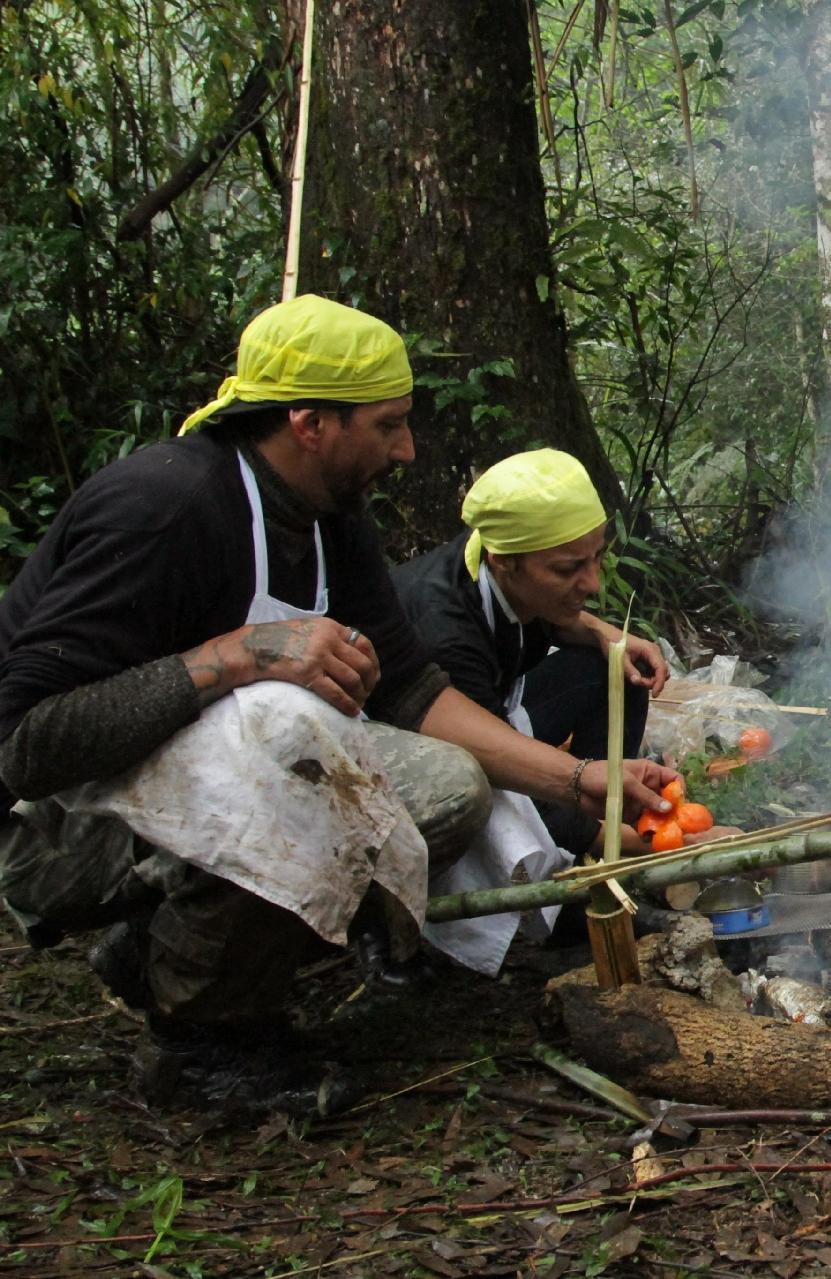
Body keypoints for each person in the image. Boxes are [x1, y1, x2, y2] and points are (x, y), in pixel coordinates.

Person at [0, 296, 677, 1113]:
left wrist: (577, 778)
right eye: (388, 424)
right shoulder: (164, 508)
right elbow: (28, 745)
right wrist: (238, 655)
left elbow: (412, 692)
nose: (407, 448)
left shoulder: (331, 520)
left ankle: (163, 947)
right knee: (288, 730)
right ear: (310, 422)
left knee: (448, 788)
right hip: (55, 830)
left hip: (186, 794)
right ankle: (201, 1046)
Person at [394, 448, 690, 974]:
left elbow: (547, 615)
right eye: (569, 568)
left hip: (502, 712)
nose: (594, 584)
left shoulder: (491, 561)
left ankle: (602, 832)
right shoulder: (445, 632)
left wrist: (602, 632)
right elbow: (506, 768)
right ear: (506, 561)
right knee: (497, 792)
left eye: (596, 558)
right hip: (425, 759)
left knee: (616, 667)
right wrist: (663, 842)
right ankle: (580, 877)